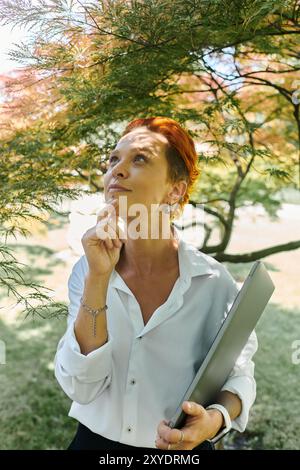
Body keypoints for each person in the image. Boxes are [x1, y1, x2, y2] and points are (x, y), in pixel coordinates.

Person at [54, 117, 258, 451]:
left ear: (175, 189)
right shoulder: (87, 270)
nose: (116, 171)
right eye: (113, 159)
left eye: (140, 159)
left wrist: (216, 419)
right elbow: (82, 387)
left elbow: (239, 374)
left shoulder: (213, 281)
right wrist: (99, 278)